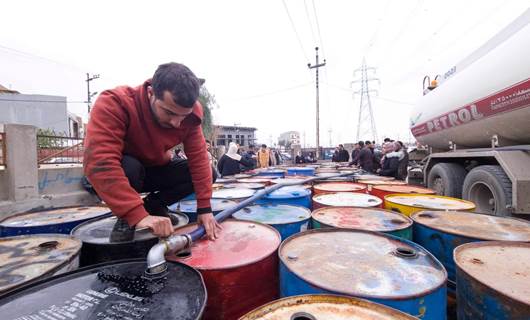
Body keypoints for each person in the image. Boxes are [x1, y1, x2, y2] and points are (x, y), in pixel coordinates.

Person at [83, 62, 220, 241]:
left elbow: (199, 158)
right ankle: (126, 218)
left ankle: (154, 205)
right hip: (124, 173)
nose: (177, 123)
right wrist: (136, 214)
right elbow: (99, 161)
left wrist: (204, 208)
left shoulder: (191, 116)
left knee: (210, 172)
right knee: (130, 167)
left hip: (154, 168)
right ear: (151, 94)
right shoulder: (115, 103)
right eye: (169, 113)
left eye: (183, 116)